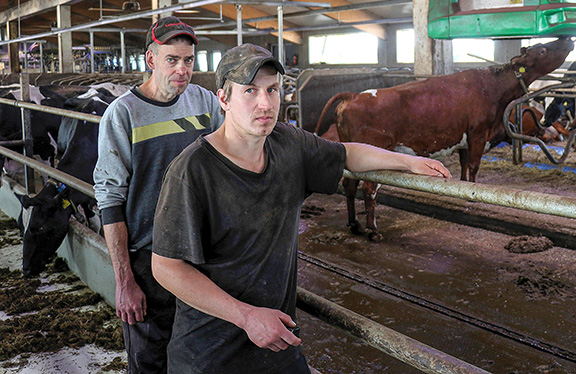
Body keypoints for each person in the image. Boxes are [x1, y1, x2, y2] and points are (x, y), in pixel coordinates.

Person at [151, 43, 450, 374]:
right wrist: (246, 316)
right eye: (250, 91)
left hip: (279, 347)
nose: (265, 103)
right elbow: (166, 267)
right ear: (224, 99)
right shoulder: (192, 171)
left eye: (272, 90)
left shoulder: (288, 143)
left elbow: (346, 154)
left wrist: (408, 162)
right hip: (210, 355)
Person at [94, 17, 224, 374]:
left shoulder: (205, 102)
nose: (182, 69)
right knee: (149, 360)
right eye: (172, 59)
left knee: (200, 359)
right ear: (151, 59)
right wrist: (124, 282)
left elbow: (229, 158)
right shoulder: (123, 114)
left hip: (200, 253)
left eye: (188, 60)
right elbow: (110, 200)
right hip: (149, 261)